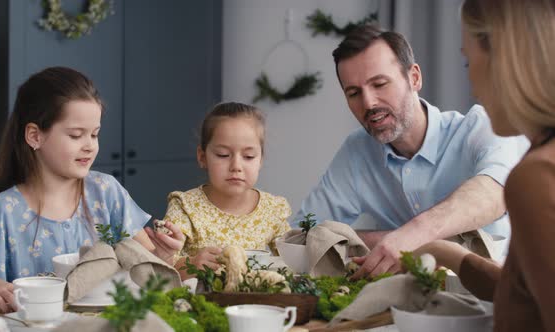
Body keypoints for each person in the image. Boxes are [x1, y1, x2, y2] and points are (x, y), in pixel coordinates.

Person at [293, 24, 526, 278]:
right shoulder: (357, 151)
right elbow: (304, 233)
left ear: (414, 78)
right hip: (403, 301)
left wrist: (414, 234)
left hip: (495, 290)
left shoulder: (479, 126)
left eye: (380, 84)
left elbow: (498, 191)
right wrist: (392, 240)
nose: (368, 102)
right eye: (354, 93)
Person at [0, 67, 184, 315]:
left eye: (95, 134)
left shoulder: (107, 192)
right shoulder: (4, 210)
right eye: (76, 135)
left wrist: (164, 256)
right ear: (35, 136)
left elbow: (146, 265)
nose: (90, 146)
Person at [415, 0, 555, 330]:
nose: (472, 85)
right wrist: (448, 255)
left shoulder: (535, 176)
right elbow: (528, 293)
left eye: (467, 62)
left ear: (504, 59)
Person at [163, 102, 291, 278]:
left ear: (260, 160)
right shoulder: (186, 207)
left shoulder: (273, 209)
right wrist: (191, 264)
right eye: (223, 155)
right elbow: (162, 266)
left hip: (254, 302)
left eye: (248, 156)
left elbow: (291, 264)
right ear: (202, 157)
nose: (236, 166)